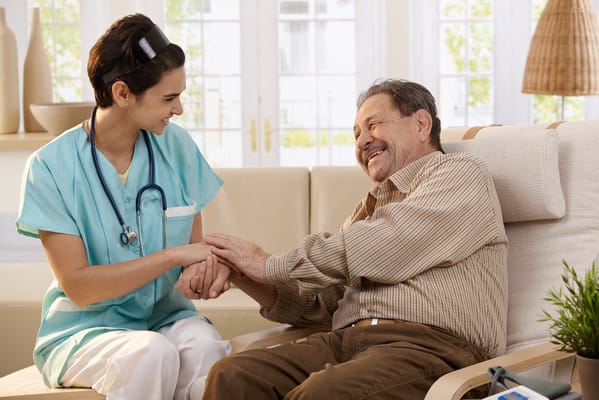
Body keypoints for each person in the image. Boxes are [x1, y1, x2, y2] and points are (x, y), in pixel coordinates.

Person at [185, 79, 508, 399]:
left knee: (322, 394)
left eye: (374, 125)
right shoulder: (365, 211)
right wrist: (242, 272)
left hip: (433, 350)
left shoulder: (460, 173)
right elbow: (320, 306)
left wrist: (268, 264)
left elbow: (387, 244)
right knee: (235, 375)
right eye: (356, 134)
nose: (363, 141)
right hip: (350, 342)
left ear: (422, 124)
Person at [16, 13, 231, 400]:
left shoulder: (177, 148)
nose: (179, 108)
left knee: (206, 349)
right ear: (121, 93)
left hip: (167, 317)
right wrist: (172, 255)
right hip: (84, 330)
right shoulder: (50, 167)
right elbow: (80, 288)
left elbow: (192, 260)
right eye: (169, 98)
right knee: (151, 353)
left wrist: (203, 272)